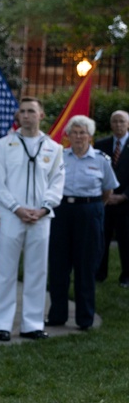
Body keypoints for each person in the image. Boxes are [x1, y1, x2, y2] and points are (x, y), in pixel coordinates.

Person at [0, 97, 65, 342]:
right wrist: (17, 208)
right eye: (22, 111)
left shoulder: (54, 148)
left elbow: (57, 183)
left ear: (41, 115)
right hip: (12, 216)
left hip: (41, 218)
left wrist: (44, 208)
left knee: (37, 270)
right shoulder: (3, 145)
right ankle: (1, 324)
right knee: (5, 271)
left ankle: (32, 324)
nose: (26, 115)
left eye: (31, 111)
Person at [46, 116, 117, 331]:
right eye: (74, 132)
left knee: (85, 266)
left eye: (82, 132)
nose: (78, 136)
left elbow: (108, 191)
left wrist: (91, 207)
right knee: (58, 265)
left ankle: (85, 318)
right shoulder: (59, 157)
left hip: (89, 212)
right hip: (62, 211)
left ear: (90, 136)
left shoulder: (101, 159)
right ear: (68, 136)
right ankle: (57, 315)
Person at [95, 110, 129, 286]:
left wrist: (124, 196)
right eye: (115, 121)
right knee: (101, 238)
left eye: (122, 121)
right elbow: (94, 171)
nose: (118, 125)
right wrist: (105, 194)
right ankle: (99, 273)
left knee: (126, 241)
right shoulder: (101, 145)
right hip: (105, 201)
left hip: (126, 203)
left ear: (128, 124)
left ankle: (126, 276)